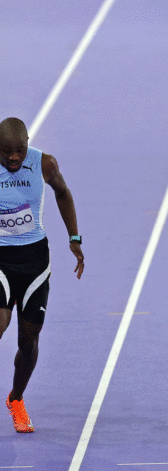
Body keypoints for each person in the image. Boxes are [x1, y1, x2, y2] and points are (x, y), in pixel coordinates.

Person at [1, 118, 84, 432]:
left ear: (27, 145)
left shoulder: (44, 164)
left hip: (35, 260)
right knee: (0, 321)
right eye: (6, 152)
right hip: (0, 258)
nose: (13, 158)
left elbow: (63, 194)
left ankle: (17, 398)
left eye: (19, 151)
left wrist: (74, 239)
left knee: (28, 340)